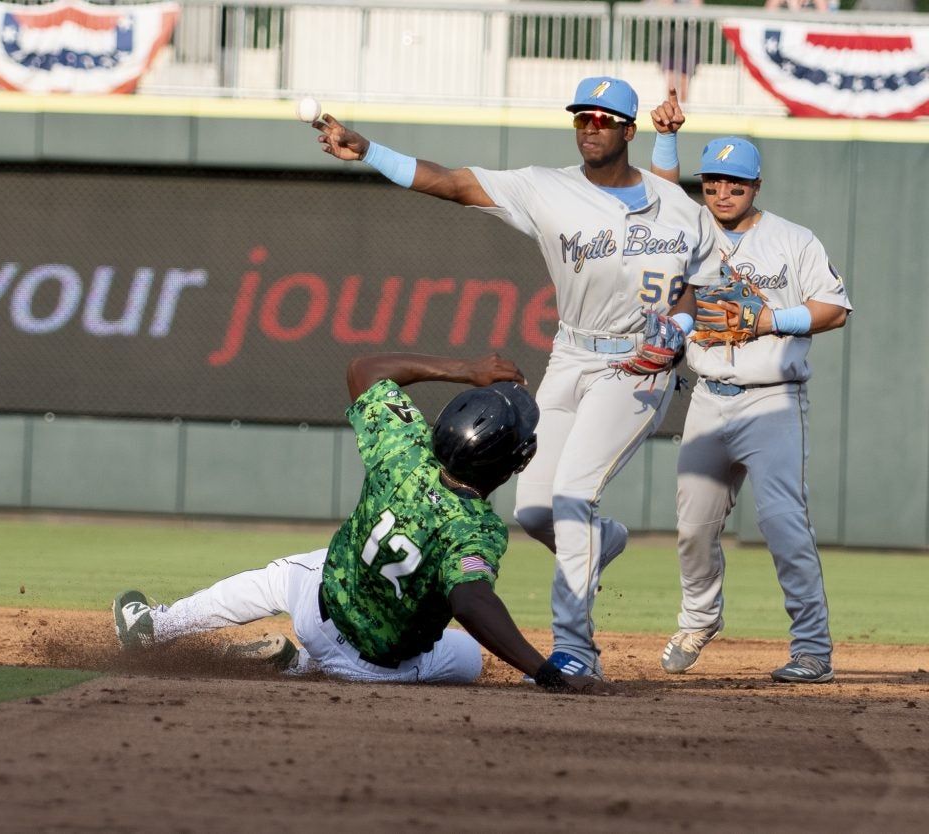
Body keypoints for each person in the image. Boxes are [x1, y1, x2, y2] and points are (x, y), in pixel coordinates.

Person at [308, 77, 721, 681]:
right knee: (533, 510)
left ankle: (577, 649)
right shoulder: (544, 187)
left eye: (605, 120)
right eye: (583, 117)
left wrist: (678, 330)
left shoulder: (681, 211)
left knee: (573, 495)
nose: (591, 127)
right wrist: (367, 149)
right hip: (573, 353)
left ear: (629, 131)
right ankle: (597, 543)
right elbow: (449, 182)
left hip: (637, 369)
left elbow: (696, 292)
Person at [114, 351, 601, 693]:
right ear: (517, 461)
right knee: (468, 658)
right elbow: (471, 601)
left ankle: (158, 627)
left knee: (282, 576)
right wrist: (544, 671)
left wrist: (464, 370)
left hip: (319, 607)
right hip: (375, 671)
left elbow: (363, 369)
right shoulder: (476, 529)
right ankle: (301, 667)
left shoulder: (404, 450)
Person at [649, 90, 852, 683]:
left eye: (735, 184)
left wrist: (769, 320)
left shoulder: (793, 239)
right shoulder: (688, 230)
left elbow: (834, 309)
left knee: (785, 523)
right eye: (712, 183)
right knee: (692, 527)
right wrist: (666, 139)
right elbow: (663, 197)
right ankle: (699, 618)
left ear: (755, 186)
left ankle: (812, 648)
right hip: (709, 397)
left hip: (772, 400)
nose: (722, 193)